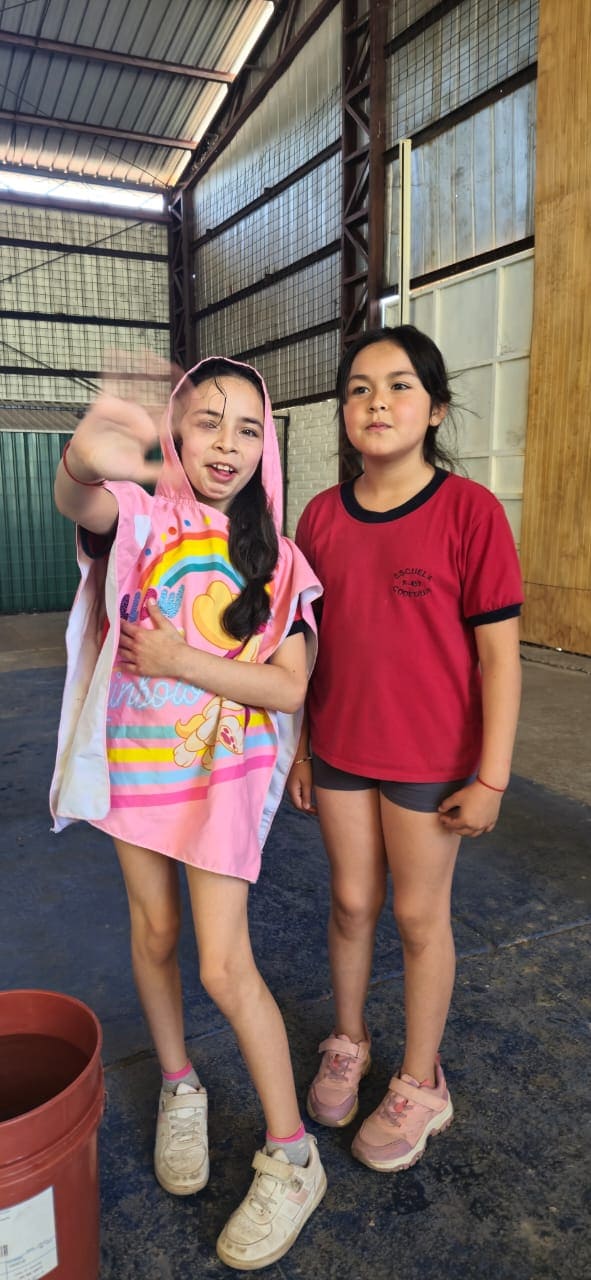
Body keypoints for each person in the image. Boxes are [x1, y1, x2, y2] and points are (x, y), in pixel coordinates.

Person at [50, 355, 326, 1269]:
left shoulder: (281, 560)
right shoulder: (145, 518)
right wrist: (90, 449)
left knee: (223, 963)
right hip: (139, 772)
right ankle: (179, 1084)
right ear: (176, 431)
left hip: (224, 780)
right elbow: (80, 497)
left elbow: (287, 688)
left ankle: (293, 1157)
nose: (226, 445)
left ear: (266, 447)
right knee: (156, 931)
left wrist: (181, 662)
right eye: (207, 421)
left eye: (247, 429)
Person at [288, 324, 522, 1174]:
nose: (375, 402)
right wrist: (303, 748)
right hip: (341, 747)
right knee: (351, 903)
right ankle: (347, 1040)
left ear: (435, 410)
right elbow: (306, 648)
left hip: (430, 760)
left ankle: (422, 1082)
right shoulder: (320, 517)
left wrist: (491, 777)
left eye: (397, 386)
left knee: (419, 917)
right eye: (358, 388)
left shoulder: (470, 512)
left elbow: (498, 659)